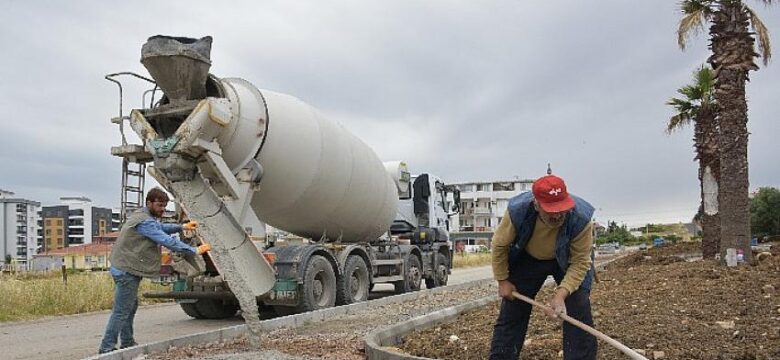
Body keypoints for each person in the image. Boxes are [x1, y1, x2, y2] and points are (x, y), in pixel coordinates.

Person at [489, 174, 597, 359]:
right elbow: (499, 246)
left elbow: (580, 262)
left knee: (578, 307)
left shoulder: (580, 218)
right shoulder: (518, 211)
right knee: (513, 308)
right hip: (529, 258)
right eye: (551, 210)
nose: (557, 215)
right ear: (536, 205)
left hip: (567, 260)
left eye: (561, 209)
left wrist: (560, 295)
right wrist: (503, 280)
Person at [99, 187, 211, 354]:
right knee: (122, 310)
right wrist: (194, 251)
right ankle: (106, 349)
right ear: (149, 203)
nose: (162, 209)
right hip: (127, 270)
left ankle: (127, 342)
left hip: (122, 266)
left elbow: (161, 228)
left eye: (164, 206)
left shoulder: (144, 216)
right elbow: (166, 240)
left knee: (130, 306)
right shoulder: (145, 222)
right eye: (159, 205)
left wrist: (182, 227)